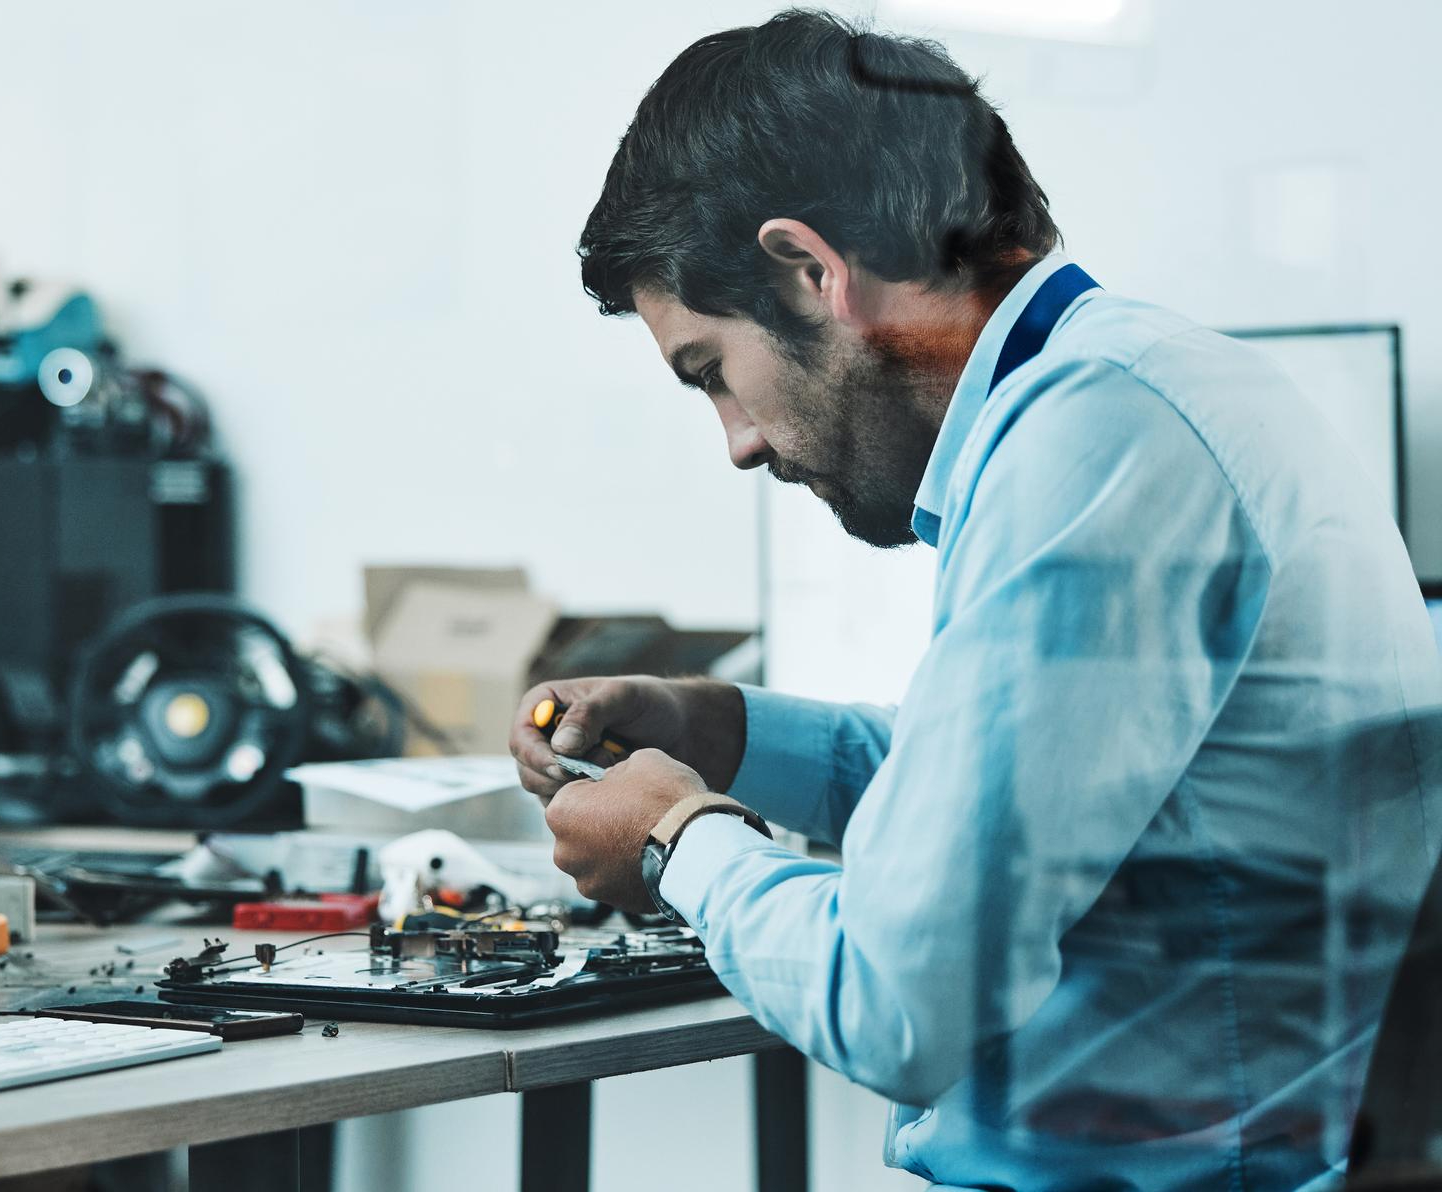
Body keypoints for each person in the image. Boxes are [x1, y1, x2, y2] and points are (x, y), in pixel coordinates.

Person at [509, 10, 1442, 1190]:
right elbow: (1006, 811)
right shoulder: (1131, 389)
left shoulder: (1096, 438)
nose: (738, 442)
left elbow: (897, 999)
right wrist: (723, 733)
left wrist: (673, 838)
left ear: (811, 271)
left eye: (712, 373)